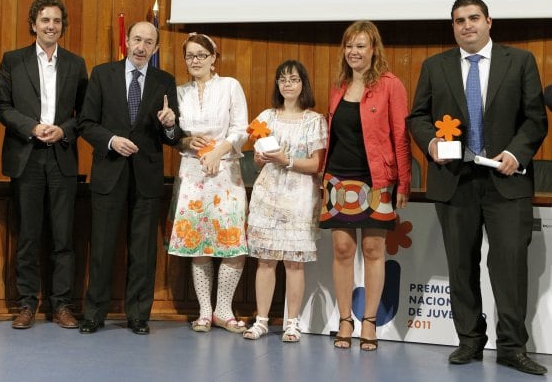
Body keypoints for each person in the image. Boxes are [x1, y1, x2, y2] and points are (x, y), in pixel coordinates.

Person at [407, 0, 548, 375]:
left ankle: (512, 347)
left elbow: (535, 119)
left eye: (473, 18)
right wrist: (432, 143)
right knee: (461, 266)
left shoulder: (519, 62)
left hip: (507, 181)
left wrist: (517, 154)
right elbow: (418, 117)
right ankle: (469, 340)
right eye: (458, 21)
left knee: (510, 267)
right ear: (452, 27)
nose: (466, 25)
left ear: (489, 21)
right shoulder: (434, 66)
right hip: (455, 182)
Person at [78, 21, 182, 335]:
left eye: (148, 42)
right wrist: (111, 140)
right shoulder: (102, 74)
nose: (141, 47)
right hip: (109, 172)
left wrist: (169, 124)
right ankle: (93, 314)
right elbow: (85, 123)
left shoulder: (165, 80)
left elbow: (173, 137)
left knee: (143, 251)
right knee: (102, 247)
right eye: (136, 39)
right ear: (126, 40)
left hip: (147, 177)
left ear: (156, 48)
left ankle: (138, 315)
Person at [0, 0, 88, 329]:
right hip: (26, 157)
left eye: (57, 21)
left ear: (63, 26)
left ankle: (62, 305)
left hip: (62, 158)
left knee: (63, 238)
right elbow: (1, 105)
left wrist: (63, 130)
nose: (51, 26)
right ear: (33, 24)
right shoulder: (13, 60)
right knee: (29, 236)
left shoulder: (76, 64)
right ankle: (27, 304)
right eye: (45, 20)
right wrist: (32, 127)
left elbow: (86, 115)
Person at [319, 21, 410, 351]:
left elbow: (400, 136)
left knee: (373, 251)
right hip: (337, 180)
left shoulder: (390, 85)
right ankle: (345, 319)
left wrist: (403, 182)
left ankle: (368, 322)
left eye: (360, 46)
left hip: (377, 179)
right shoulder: (338, 85)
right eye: (349, 46)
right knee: (343, 251)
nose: (354, 52)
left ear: (374, 49)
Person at [165, 33, 249, 333]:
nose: (196, 61)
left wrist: (218, 151)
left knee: (232, 244)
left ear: (214, 57)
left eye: (201, 55)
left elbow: (241, 129)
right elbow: (175, 138)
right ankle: (204, 311)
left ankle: (223, 310)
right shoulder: (179, 92)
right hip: (192, 173)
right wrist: (186, 139)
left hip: (225, 172)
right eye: (190, 56)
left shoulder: (230, 86)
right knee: (197, 244)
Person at [243, 60, 327, 342]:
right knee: (265, 260)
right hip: (268, 193)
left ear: (304, 83)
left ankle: (292, 322)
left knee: (294, 262)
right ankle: (262, 320)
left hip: (300, 195)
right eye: (282, 79)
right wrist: (260, 158)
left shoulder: (314, 120)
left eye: (293, 79)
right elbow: (257, 159)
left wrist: (286, 160)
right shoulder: (267, 116)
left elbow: (316, 164)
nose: (287, 84)